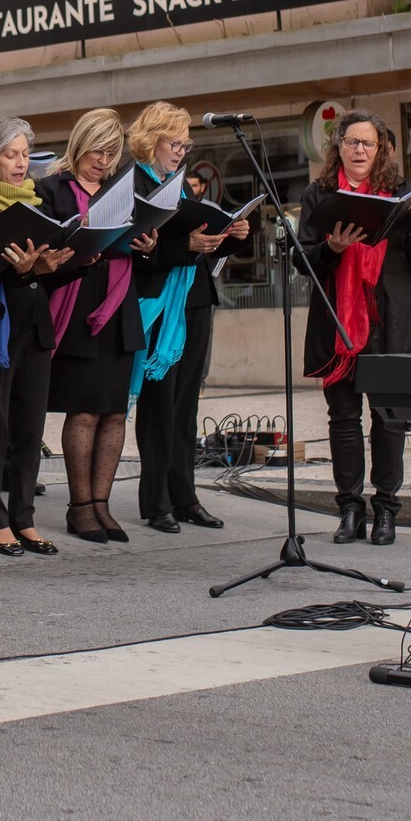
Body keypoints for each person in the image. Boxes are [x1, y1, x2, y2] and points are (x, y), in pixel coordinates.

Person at [298, 110, 411, 548]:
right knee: (343, 418)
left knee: (388, 418)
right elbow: (302, 260)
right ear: (338, 146)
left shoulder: (401, 194)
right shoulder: (318, 193)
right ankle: (349, 509)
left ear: (381, 149)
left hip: (389, 318)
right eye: (351, 142)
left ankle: (385, 510)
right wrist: (332, 248)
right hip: (337, 319)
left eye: (368, 143)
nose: (359, 150)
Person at [43, 108, 161, 545]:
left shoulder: (123, 188)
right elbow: (49, 249)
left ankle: (102, 503)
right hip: (77, 308)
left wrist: (147, 245)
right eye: (98, 150)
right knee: (85, 409)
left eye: (112, 153)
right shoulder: (52, 188)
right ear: (80, 144)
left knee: (115, 409)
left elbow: (139, 245)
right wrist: (79, 237)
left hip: (119, 308)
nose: (104, 160)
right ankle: (79, 507)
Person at [0, 115, 76, 557]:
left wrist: (54, 267)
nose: (20, 164)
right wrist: (25, 271)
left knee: (30, 428)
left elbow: (39, 273)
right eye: (10, 155)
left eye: (25, 155)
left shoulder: (38, 205)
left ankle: (24, 517)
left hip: (35, 324)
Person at [135, 153, 247, 533]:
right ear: (152, 140)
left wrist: (227, 238)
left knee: (185, 407)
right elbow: (140, 252)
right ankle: (156, 502)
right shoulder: (138, 182)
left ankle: (185, 497)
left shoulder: (180, 181)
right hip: (159, 303)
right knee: (159, 407)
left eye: (184, 143)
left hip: (195, 298)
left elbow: (198, 245)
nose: (181, 150)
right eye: (173, 141)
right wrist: (186, 242)